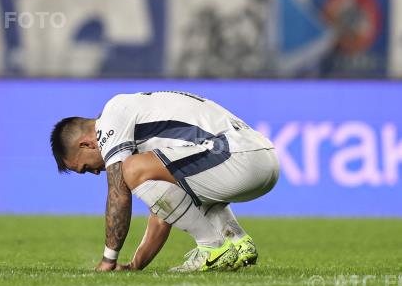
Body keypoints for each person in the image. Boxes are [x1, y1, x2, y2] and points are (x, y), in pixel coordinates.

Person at [50, 91, 279, 272]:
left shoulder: (111, 117)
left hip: (237, 156)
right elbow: (165, 209)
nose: (96, 172)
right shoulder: (140, 121)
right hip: (264, 157)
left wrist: (108, 260)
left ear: (86, 144)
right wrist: (134, 265)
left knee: (129, 170)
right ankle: (237, 241)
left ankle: (213, 246)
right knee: (159, 179)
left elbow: (118, 192)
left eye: (86, 168)